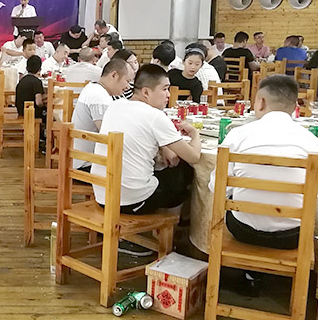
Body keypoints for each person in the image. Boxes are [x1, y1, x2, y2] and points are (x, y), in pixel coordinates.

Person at [210, 75, 318, 251]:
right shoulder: (312, 141)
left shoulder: (237, 134)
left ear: (261, 102)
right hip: (293, 235)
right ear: (294, 107)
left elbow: (217, 187)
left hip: (243, 230)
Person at [91, 64, 201, 219]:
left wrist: (165, 146)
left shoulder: (115, 105)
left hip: (103, 194)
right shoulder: (155, 116)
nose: (168, 95)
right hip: (132, 201)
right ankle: (177, 227)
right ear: (146, 92)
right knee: (186, 171)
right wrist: (195, 134)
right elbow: (194, 156)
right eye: (164, 89)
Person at [71, 58, 133, 170]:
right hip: (89, 164)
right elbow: (108, 134)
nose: (128, 87)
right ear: (114, 75)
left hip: (82, 159)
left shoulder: (93, 87)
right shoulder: (99, 96)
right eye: (127, 81)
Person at [15, 55, 46, 123]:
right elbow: (38, 102)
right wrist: (44, 105)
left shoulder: (22, 80)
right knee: (48, 113)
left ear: (26, 68)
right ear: (40, 69)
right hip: (31, 112)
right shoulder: (37, 82)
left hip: (20, 110)